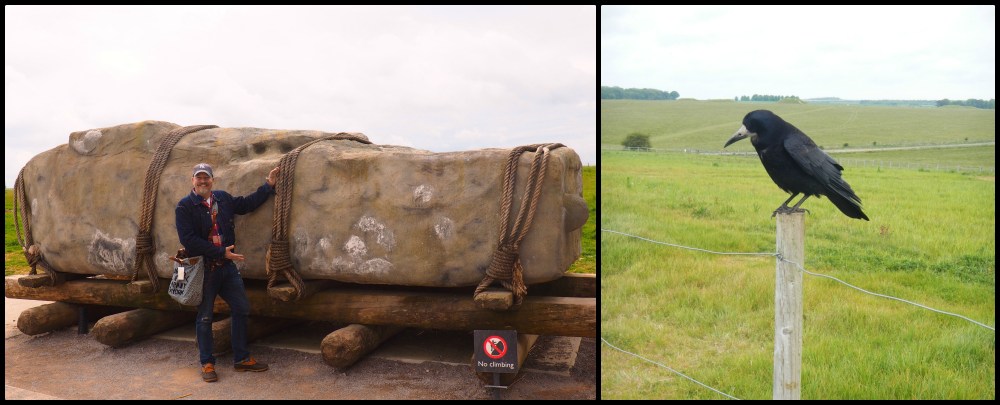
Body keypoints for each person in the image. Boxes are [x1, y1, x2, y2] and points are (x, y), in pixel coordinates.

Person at [175, 162, 280, 383]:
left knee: (241, 309)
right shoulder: (184, 206)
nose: (203, 181)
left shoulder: (222, 199)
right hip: (204, 269)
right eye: (199, 178)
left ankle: (241, 358)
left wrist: (268, 185)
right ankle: (207, 363)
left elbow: (246, 204)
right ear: (192, 180)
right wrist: (222, 252)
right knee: (204, 317)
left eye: (207, 178)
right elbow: (189, 241)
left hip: (227, 268)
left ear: (212, 180)